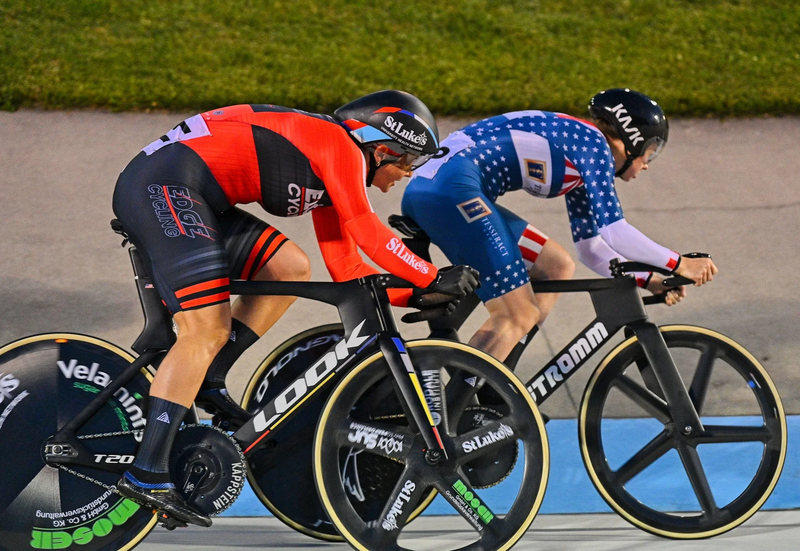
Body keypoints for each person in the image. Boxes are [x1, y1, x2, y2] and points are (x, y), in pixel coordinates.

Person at [111, 90, 477, 526]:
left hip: (192, 192)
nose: (406, 174)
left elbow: (347, 267)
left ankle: (207, 375)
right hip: (164, 187)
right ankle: (146, 472)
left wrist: (412, 293)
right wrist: (431, 275)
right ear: (382, 149)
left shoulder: (334, 167)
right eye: (408, 163)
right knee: (203, 330)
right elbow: (369, 232)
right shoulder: (340, 147)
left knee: (288, 268)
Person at [402, 88, 718, 364]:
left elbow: (592, 248)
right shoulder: (595, 145)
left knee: (556, 265)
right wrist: (680, 263)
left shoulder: (581, 151)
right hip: (452, 193)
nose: (647, 164)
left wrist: (647, 278)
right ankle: (457, 410)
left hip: (439, 190)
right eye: (649, 151)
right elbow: (615, 232)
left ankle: (497, 384)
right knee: (518, 314)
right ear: (629, 141)